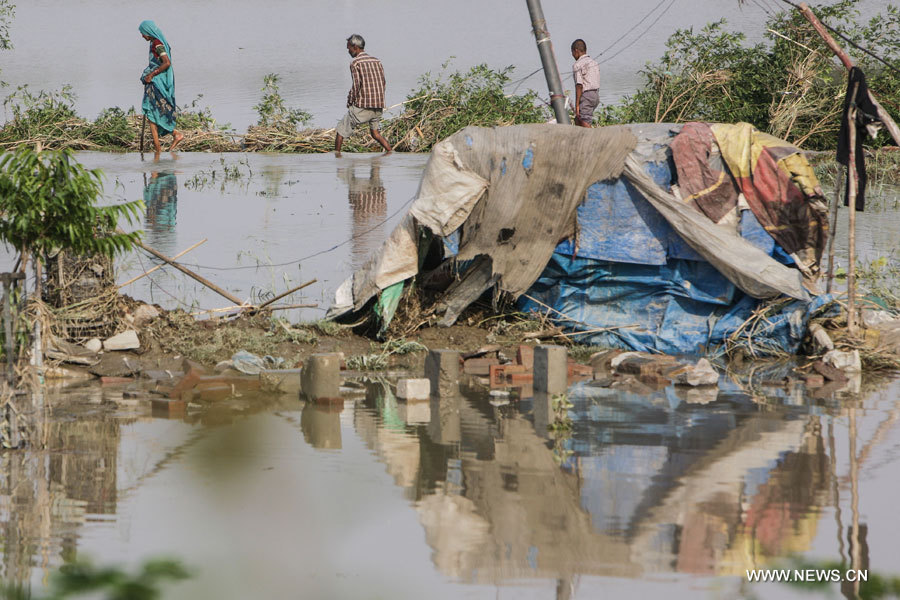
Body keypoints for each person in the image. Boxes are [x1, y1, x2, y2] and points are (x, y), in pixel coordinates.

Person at [335, 34, 392, 155]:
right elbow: (384, 83)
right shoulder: (377, 61)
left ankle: (337, 159)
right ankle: (390, 153)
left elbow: (356, 86)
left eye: (348, 48)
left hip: (364, 105)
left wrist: (350, 101)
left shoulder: (356, 63)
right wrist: (379, 99)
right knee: (375, 134)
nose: (348, 51)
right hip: (378, 105)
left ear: (355, 47)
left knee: (340, 130)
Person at [139, 20, 183, 155]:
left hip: (158, 83)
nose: (142, 36)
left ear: (148, 32)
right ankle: (175, 134)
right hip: (156, 82)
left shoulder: (157, 44)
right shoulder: (155, 43)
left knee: (152, 115)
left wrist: (151, 74)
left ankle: (157, 150)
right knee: (154, 113)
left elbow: (166, 63)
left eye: (142, 33)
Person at [570, 39, 601, 128]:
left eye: (572, 53)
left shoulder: (577, 64)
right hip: (595, 95)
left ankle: (591, 139)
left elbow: (579, 85)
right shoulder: (594, 62)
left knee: (584, 121)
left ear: (576, 51)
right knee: (578, 120)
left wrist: (577, 106)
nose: (572, 55)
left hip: (586, 95)